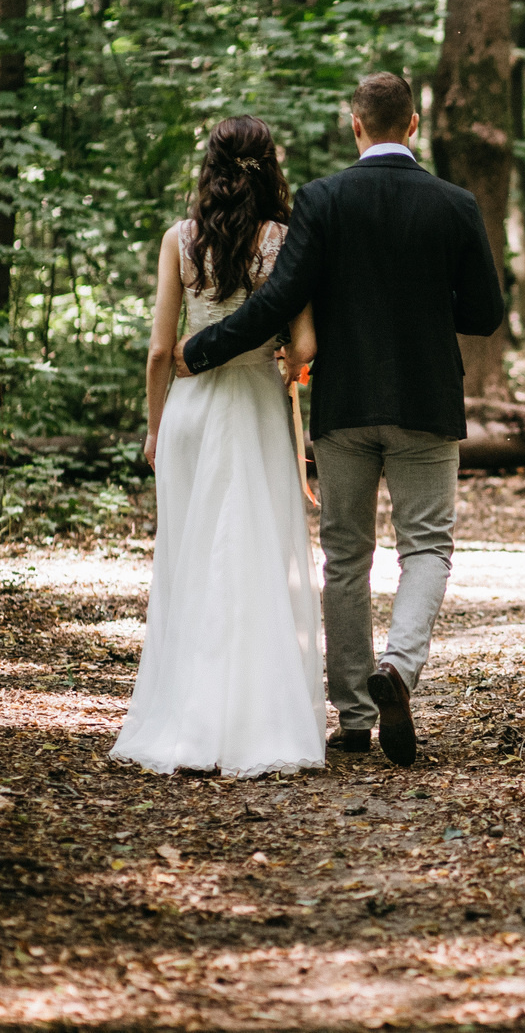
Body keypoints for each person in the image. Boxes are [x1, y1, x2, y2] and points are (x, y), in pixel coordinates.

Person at [174, 73, 506, 767]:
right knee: (426, 549)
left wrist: (202, 348)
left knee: (346, 557)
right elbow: (483, 314)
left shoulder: (323, 201)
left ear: (356, 125)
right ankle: (399, 668)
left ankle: (355, 716)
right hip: (425, 402)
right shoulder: (455, 204)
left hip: (345, 404)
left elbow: (279, 301)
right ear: (413, 125)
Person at [114, 116, 326, 778]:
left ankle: (187, 716)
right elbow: (308, 346)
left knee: (191, 559)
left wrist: (154, 429)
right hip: (256, 404)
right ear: (269, 168)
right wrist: (288, 365)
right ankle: (257, 719)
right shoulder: (281, 242)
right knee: (257, 555)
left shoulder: (179, 240)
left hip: (191, 412)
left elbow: (158, 350)